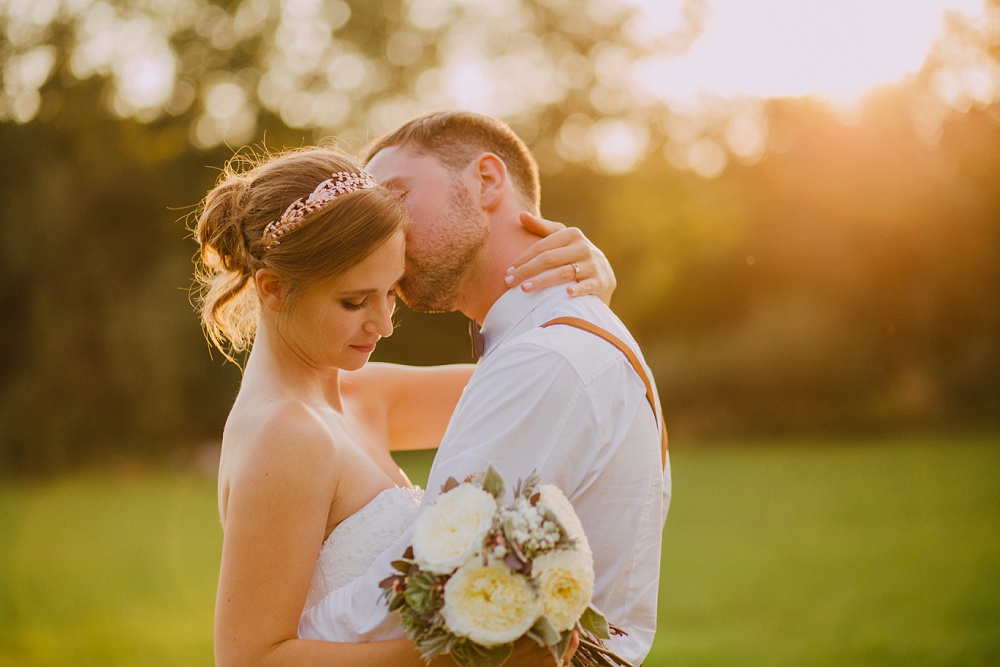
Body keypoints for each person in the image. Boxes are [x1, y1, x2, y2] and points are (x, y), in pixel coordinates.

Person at [195, 144, 615, 665]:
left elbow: (546, 379)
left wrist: (585, 289)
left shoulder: (364, 394)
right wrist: (458, 654)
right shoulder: (286, 434)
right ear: (274, 288)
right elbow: (250, 659)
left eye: (391, 292)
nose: (385, 324)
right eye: (355, 301)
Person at [299, 111, 671, 664]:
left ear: (487, 181)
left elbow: (418, 596)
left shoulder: (544, 360)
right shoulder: (546, 343)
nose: (385, 235)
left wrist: (280, 635)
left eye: (397, 199)